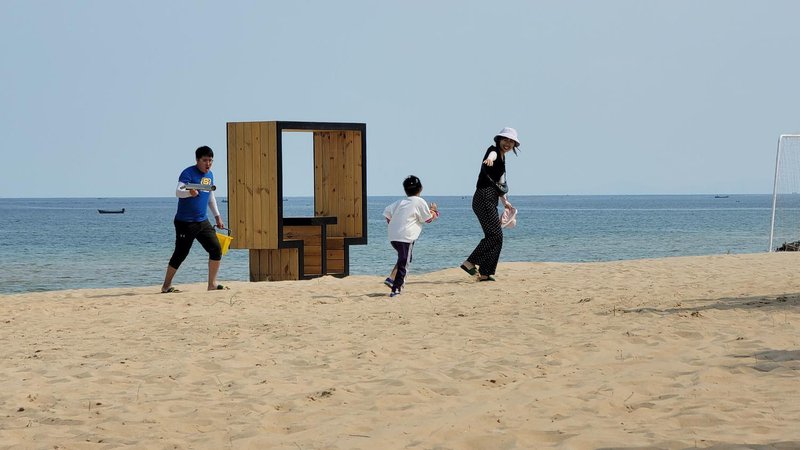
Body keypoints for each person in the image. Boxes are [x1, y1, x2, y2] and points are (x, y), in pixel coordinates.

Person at [161, 145, 227, 293]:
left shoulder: (209, 175)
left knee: (216, 249)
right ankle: (166, 286)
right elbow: (178, 191)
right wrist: (189, 192)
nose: (208, 163)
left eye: (210, 160)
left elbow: (210, 196)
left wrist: (217, 217)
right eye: (205, 160)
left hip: (202, 221)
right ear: (197, 160)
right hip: (185, 222)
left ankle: (212, 284)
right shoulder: (188, 173)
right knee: (181, 253)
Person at [460, 127, 520, 281]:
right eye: (505, 140)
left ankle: (485, 273)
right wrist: (490, 160)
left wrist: (505, 202)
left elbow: (501, 183)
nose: (507, 143)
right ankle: (470, 262)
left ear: (514, 144)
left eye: (511, 141)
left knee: (496, 237)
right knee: (495, 235)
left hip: (490, 198)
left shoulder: (503, 160)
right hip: (483, 197)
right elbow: (491, 155)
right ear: (499, 140)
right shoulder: (493, 151)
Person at [383, 175, 439, 297]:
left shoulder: (400, 202)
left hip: (393, 236)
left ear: (405, 190)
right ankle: (396, 288)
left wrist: (396, 224)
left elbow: (387, 213)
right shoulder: (419, 201)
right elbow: (427, 219)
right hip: (406, 237)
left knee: (405, 258)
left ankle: (391, 278)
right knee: (405, 262)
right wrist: (434, 211)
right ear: (421, 189)